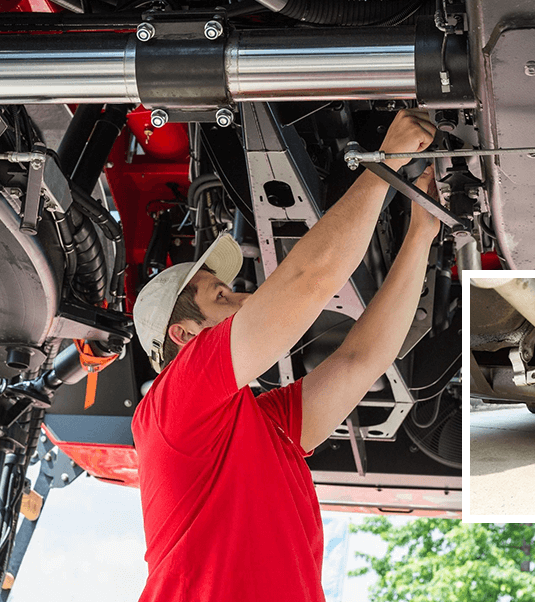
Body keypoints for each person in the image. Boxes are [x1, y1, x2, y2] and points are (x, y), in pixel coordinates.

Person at [130, 110, 439, 601]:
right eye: (222, 298)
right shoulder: (173, 402)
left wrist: (412, 217)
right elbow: (318, 296)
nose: (245, 299)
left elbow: (357, 356)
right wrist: (392, 173)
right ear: (183, 336)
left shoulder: (251, 424)